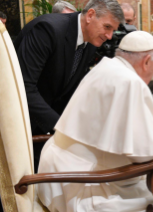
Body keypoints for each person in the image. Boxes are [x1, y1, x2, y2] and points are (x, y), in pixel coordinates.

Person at [37, 31, 153, 212]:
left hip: (56, 172)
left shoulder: (108, 67)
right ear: (146, 61)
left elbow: (145, 112)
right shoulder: (130, 82)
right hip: (84, 183)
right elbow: (144, 151)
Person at [14, 0, 125, 172]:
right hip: (19, 123)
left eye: (113, 30)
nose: (109, 36)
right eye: (107, 27)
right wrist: (60, 127)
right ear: (90, 16)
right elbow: (23, 87)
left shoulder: (89, 43)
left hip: (44, 128)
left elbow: (70, 88)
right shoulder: (47, 30)